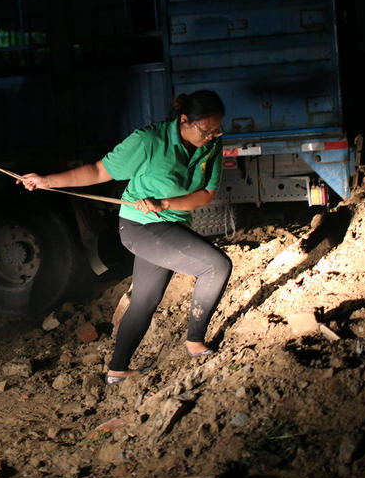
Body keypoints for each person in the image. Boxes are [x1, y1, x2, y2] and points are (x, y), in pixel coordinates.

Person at [17, 91, 232, 385]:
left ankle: (117, 370)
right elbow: (98, 170)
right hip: (140, 227)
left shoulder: (212, 146)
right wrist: (46, 181)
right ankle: (195, 342)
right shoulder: (148, 141)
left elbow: (206, 195)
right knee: (216, 266)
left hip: (170, 225)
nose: (211, 136)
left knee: (145, 300)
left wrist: (165, 203)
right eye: (206, 130)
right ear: (184, 120)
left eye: (216, 130)